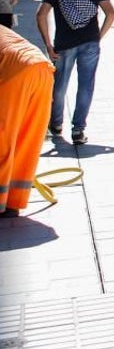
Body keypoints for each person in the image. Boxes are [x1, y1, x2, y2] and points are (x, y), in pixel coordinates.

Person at [36, 0, 114, 145]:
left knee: (60, 85)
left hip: (63, 44)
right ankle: (78, 130)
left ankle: (55, 125)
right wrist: (99, 36)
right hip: (90, 42)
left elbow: (40, 15)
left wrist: (47, 44)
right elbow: (111, 13)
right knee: (86, 85)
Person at [0, 24, 54, 218]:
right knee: (27, 138)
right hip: (41, 68)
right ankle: (14, 201)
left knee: (3, 139)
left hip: (15, 72)